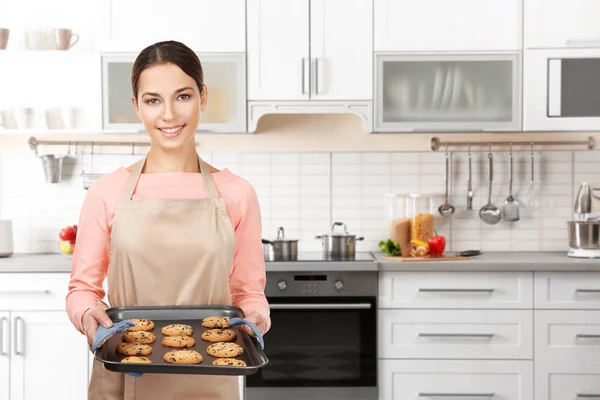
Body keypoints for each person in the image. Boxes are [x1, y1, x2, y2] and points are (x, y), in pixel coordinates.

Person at [66, 40, 270, 399]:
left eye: (183, 96)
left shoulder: (237, 193)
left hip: (211, 380)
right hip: (123, 373)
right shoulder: (106, 192)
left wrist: (255, 318)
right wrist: (87, 317)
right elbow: (83, 289)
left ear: (203, 97)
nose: (169, 115)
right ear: (137, 107)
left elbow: (249, 292)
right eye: (153, 100)